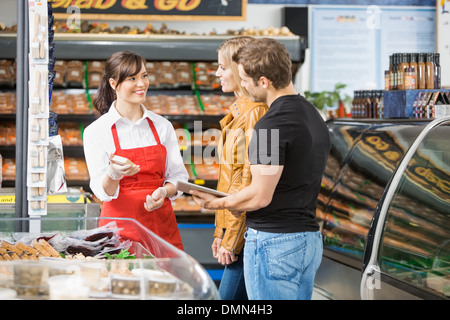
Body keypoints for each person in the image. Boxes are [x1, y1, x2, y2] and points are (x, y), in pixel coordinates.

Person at [192, 38, 330, 300]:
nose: (243, 85)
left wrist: (216, 204)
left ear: (263, 81)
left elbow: (259, 195)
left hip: (275, 243)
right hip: (309, 240)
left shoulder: (270, 125)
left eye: (244, 79)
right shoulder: (312, 114)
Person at [83, 51, 188, 250]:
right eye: (132, 78)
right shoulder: (96, 131)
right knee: (123, 279)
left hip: (160, 226)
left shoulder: (162, 126)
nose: (141, 84)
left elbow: (179, 177)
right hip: (119, 230)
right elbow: (101, 191)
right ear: (114, 84)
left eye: (144, 76)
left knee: (163, 280)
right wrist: (113, 174)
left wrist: (164, 191)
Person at [213, 36, 268, 300]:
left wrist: (231, 239)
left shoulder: (255, 112)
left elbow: (248, 181)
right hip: (236, 231)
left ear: (239, 69)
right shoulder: (239, 111)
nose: (217, 73)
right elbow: (230, 180)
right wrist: (219, 231)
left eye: (222, 67)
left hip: (245, 237)